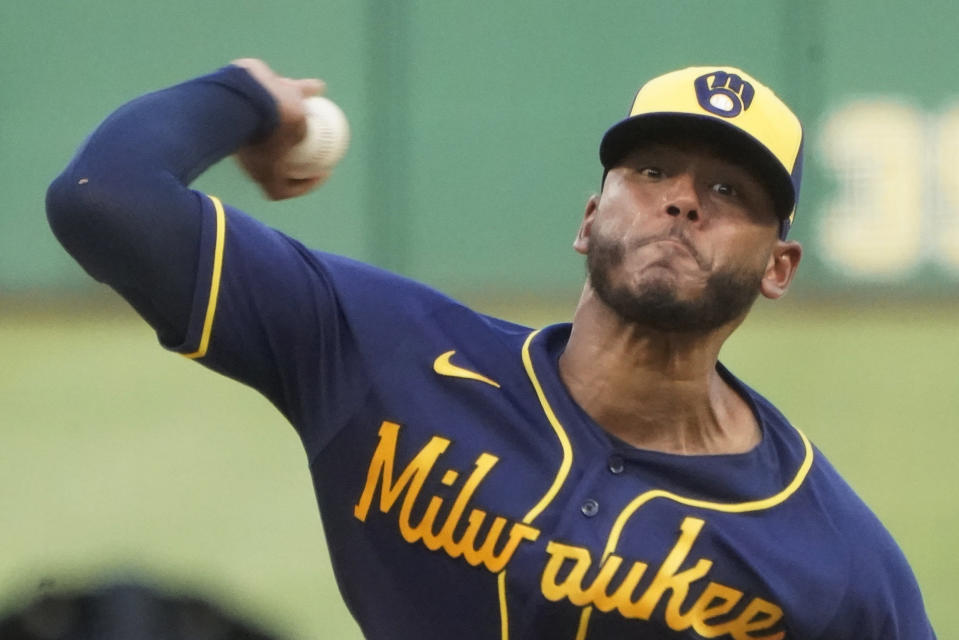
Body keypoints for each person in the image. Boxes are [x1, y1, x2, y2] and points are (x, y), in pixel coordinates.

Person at [46, 59, 936, 639]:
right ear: (590, 220)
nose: (681, 201)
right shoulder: (383, 353)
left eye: (727, 189)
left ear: (778, 267)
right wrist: (243, 95)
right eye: (651, 171)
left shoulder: (837, 569)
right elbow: (104, 199)